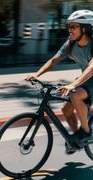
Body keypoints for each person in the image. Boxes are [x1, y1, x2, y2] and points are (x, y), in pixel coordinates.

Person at [25, 10, 93, 152]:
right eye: (69, 27)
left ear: (85, 29)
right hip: (86, 80)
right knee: (66, 110)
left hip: (89, 77)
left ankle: (85, 133)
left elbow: (91, 68)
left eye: (74, 27)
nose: (70, 30)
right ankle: (76, 141)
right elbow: (54, 60)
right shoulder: (71, 44)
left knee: (75, 95)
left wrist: (73, 84)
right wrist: (37, 75)